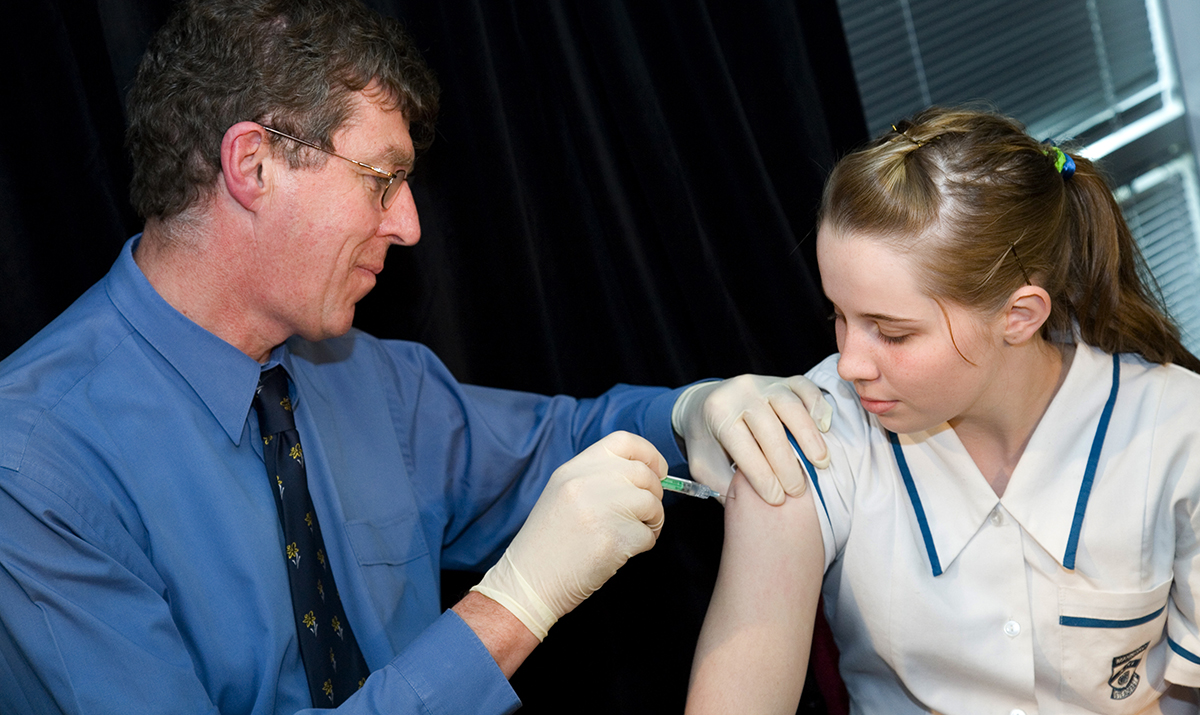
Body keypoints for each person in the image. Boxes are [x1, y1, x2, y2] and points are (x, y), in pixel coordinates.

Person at [0, 1, 834, 713]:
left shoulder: (363, 379)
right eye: (380, 177)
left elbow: (564, 442)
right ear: (252, 164)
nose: (408, 225)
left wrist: (691, 412)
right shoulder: (33, 464)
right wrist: (513, 607)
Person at [687, 106, 1200, 714]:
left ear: (1019, 316)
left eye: (893, 333)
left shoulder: (1177, 431)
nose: (849, 363)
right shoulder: (812, 430)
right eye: (839, 316)